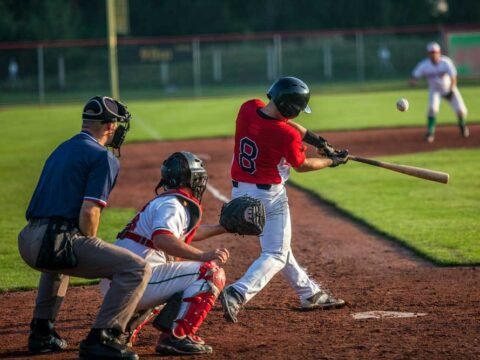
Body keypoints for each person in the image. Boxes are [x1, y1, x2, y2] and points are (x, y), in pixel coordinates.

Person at [18, 96, 151, 360]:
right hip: (52, 242)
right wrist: (90, 243)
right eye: (117, 124)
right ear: (109, 126)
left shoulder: (62, 148)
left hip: (28, 239)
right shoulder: (103, 157)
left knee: (58, 264)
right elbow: (89, 211)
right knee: (137, 268)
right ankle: (103, 338)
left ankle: (42, 333)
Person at [220, 76, 348, 324]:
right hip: (269, 197)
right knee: (276, 253)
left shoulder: (248, 108)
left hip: (239, 193)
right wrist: (332, 161)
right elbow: (303, 165)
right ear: (291, 108)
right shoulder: (285, 135)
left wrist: (318, 141)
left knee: (279, 247)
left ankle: (310, 294)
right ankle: (238, 292)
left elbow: (287, 125)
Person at [100, 151, 230, 355]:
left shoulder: (164, 202)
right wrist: (203, 256)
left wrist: (223, 227)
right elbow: (163, 239)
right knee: (209, 273)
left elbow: (181, 234)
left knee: (173, 277)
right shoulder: (173, 205)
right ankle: (177, 337)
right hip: (135, 283)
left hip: (121, 284)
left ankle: (124, 329)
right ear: (192, 179)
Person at [410, 41, 469, 143]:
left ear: (439, 52)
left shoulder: (446, 62)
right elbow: (415, 76)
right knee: (432, 109)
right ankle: (430, 133)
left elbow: (453, 77)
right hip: (435, 90)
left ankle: (462, 126)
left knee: (461, 110)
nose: (433, 54)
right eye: (431, 52)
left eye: (435, 52)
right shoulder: (424, 65)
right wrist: (413, 81)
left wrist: (451, 90)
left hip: (449, 88)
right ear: (428, 54)